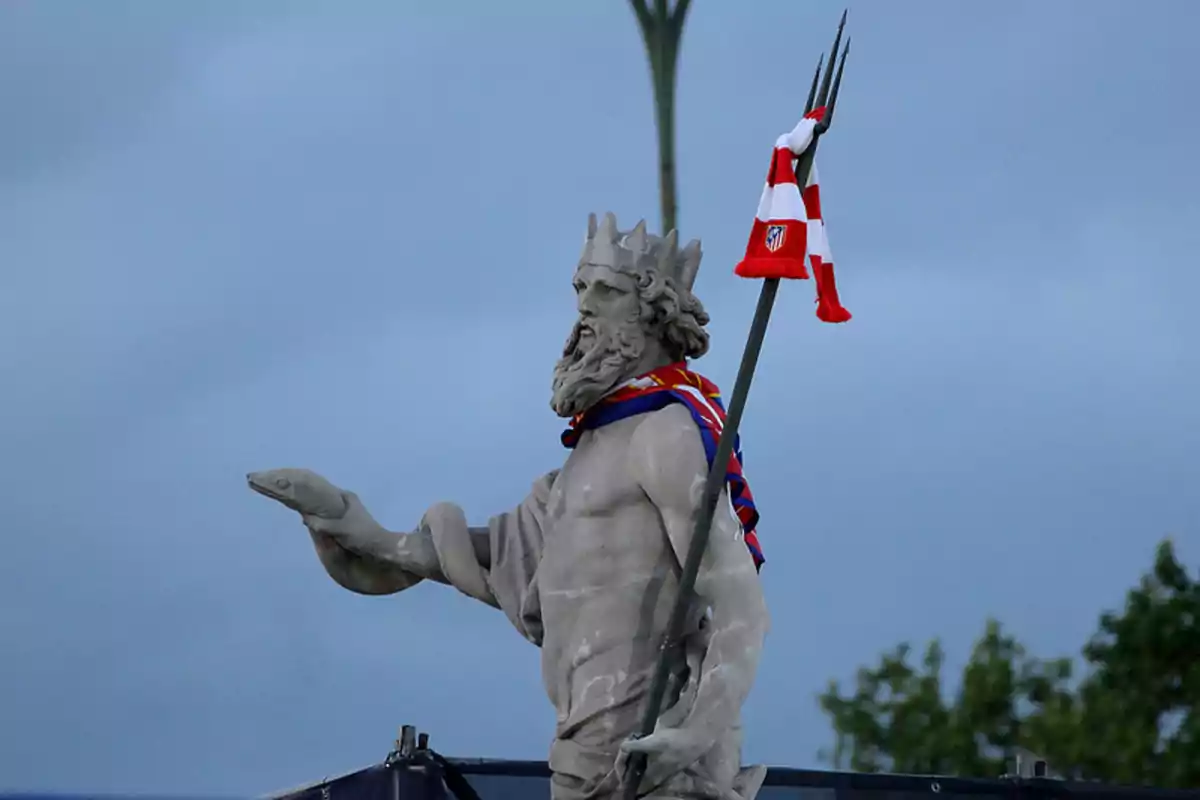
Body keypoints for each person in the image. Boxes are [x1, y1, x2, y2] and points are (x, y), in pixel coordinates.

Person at [257, 212, 769, 800]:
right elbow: (510, 556)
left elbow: (740, 608)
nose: (584, 308)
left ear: (651, 316)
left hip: (658, 761)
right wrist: (360, 531)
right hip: (587, 752)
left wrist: (693, 733)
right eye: (580, 289)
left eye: (607, 292)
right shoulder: (587, 455)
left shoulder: (667, 434)